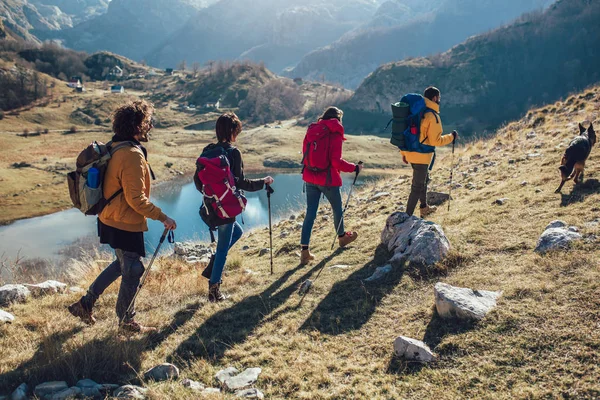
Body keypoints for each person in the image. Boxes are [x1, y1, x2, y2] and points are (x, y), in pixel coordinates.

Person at [68, 100, 177, 334]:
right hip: (125, 223)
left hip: (110, 218)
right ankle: (127, 323)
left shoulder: (116, 145)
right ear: (137, 126)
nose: (149, 127)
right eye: (147, 122)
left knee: (122, 264)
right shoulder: (131, 154)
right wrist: (163, 216)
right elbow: (136, 199)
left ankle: (85, 304)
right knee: (133, 269)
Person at [195, 112, 273, 302]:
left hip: (211, 207)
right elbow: (241, 183)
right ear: (232, 132)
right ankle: (214, 291)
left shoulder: (207, 150)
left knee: (236, 233)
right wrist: (264, 181)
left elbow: (198, 182)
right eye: (236, 130)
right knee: (222, 249)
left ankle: (215, 264)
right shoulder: (233, 153)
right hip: (226, 209)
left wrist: (214, 196)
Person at [300, 106, 363, 265]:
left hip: (310, 177)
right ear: (338, 119)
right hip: (327, 179)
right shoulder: (334, 132)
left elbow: (305, 153)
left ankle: (305, 252)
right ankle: (342, 238)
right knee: (337, 209)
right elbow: (336, 162)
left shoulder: (312, 130)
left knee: (310, 214)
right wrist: (354, 167)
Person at [401, 87, 457, 218]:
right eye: (439, 98)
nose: (439, 100)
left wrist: (403, 153)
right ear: (434, 98)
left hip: (410, 152)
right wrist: (451, 137)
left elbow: (405, 133)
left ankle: (424, 207)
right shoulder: (432, 116)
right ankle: (406, 217)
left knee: (424, 180)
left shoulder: (415, 112)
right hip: (422, 156)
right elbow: (435, 141)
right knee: (417, 187)